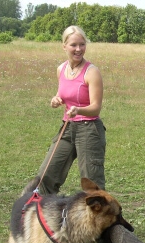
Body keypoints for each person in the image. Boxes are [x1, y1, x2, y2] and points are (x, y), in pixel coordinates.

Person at [37, 25, 106, 194]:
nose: (78, 49)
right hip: (67, 128)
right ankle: (44, 216)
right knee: (46, 175)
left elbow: (96, 108)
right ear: (64, 46)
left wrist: (79, 110)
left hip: (89, 130)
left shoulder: (92, 72)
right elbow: (62, 94)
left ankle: (104, 219)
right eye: (74, 45)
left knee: (92, 183)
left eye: (82, 44)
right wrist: (55, 100)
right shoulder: (61, 69)